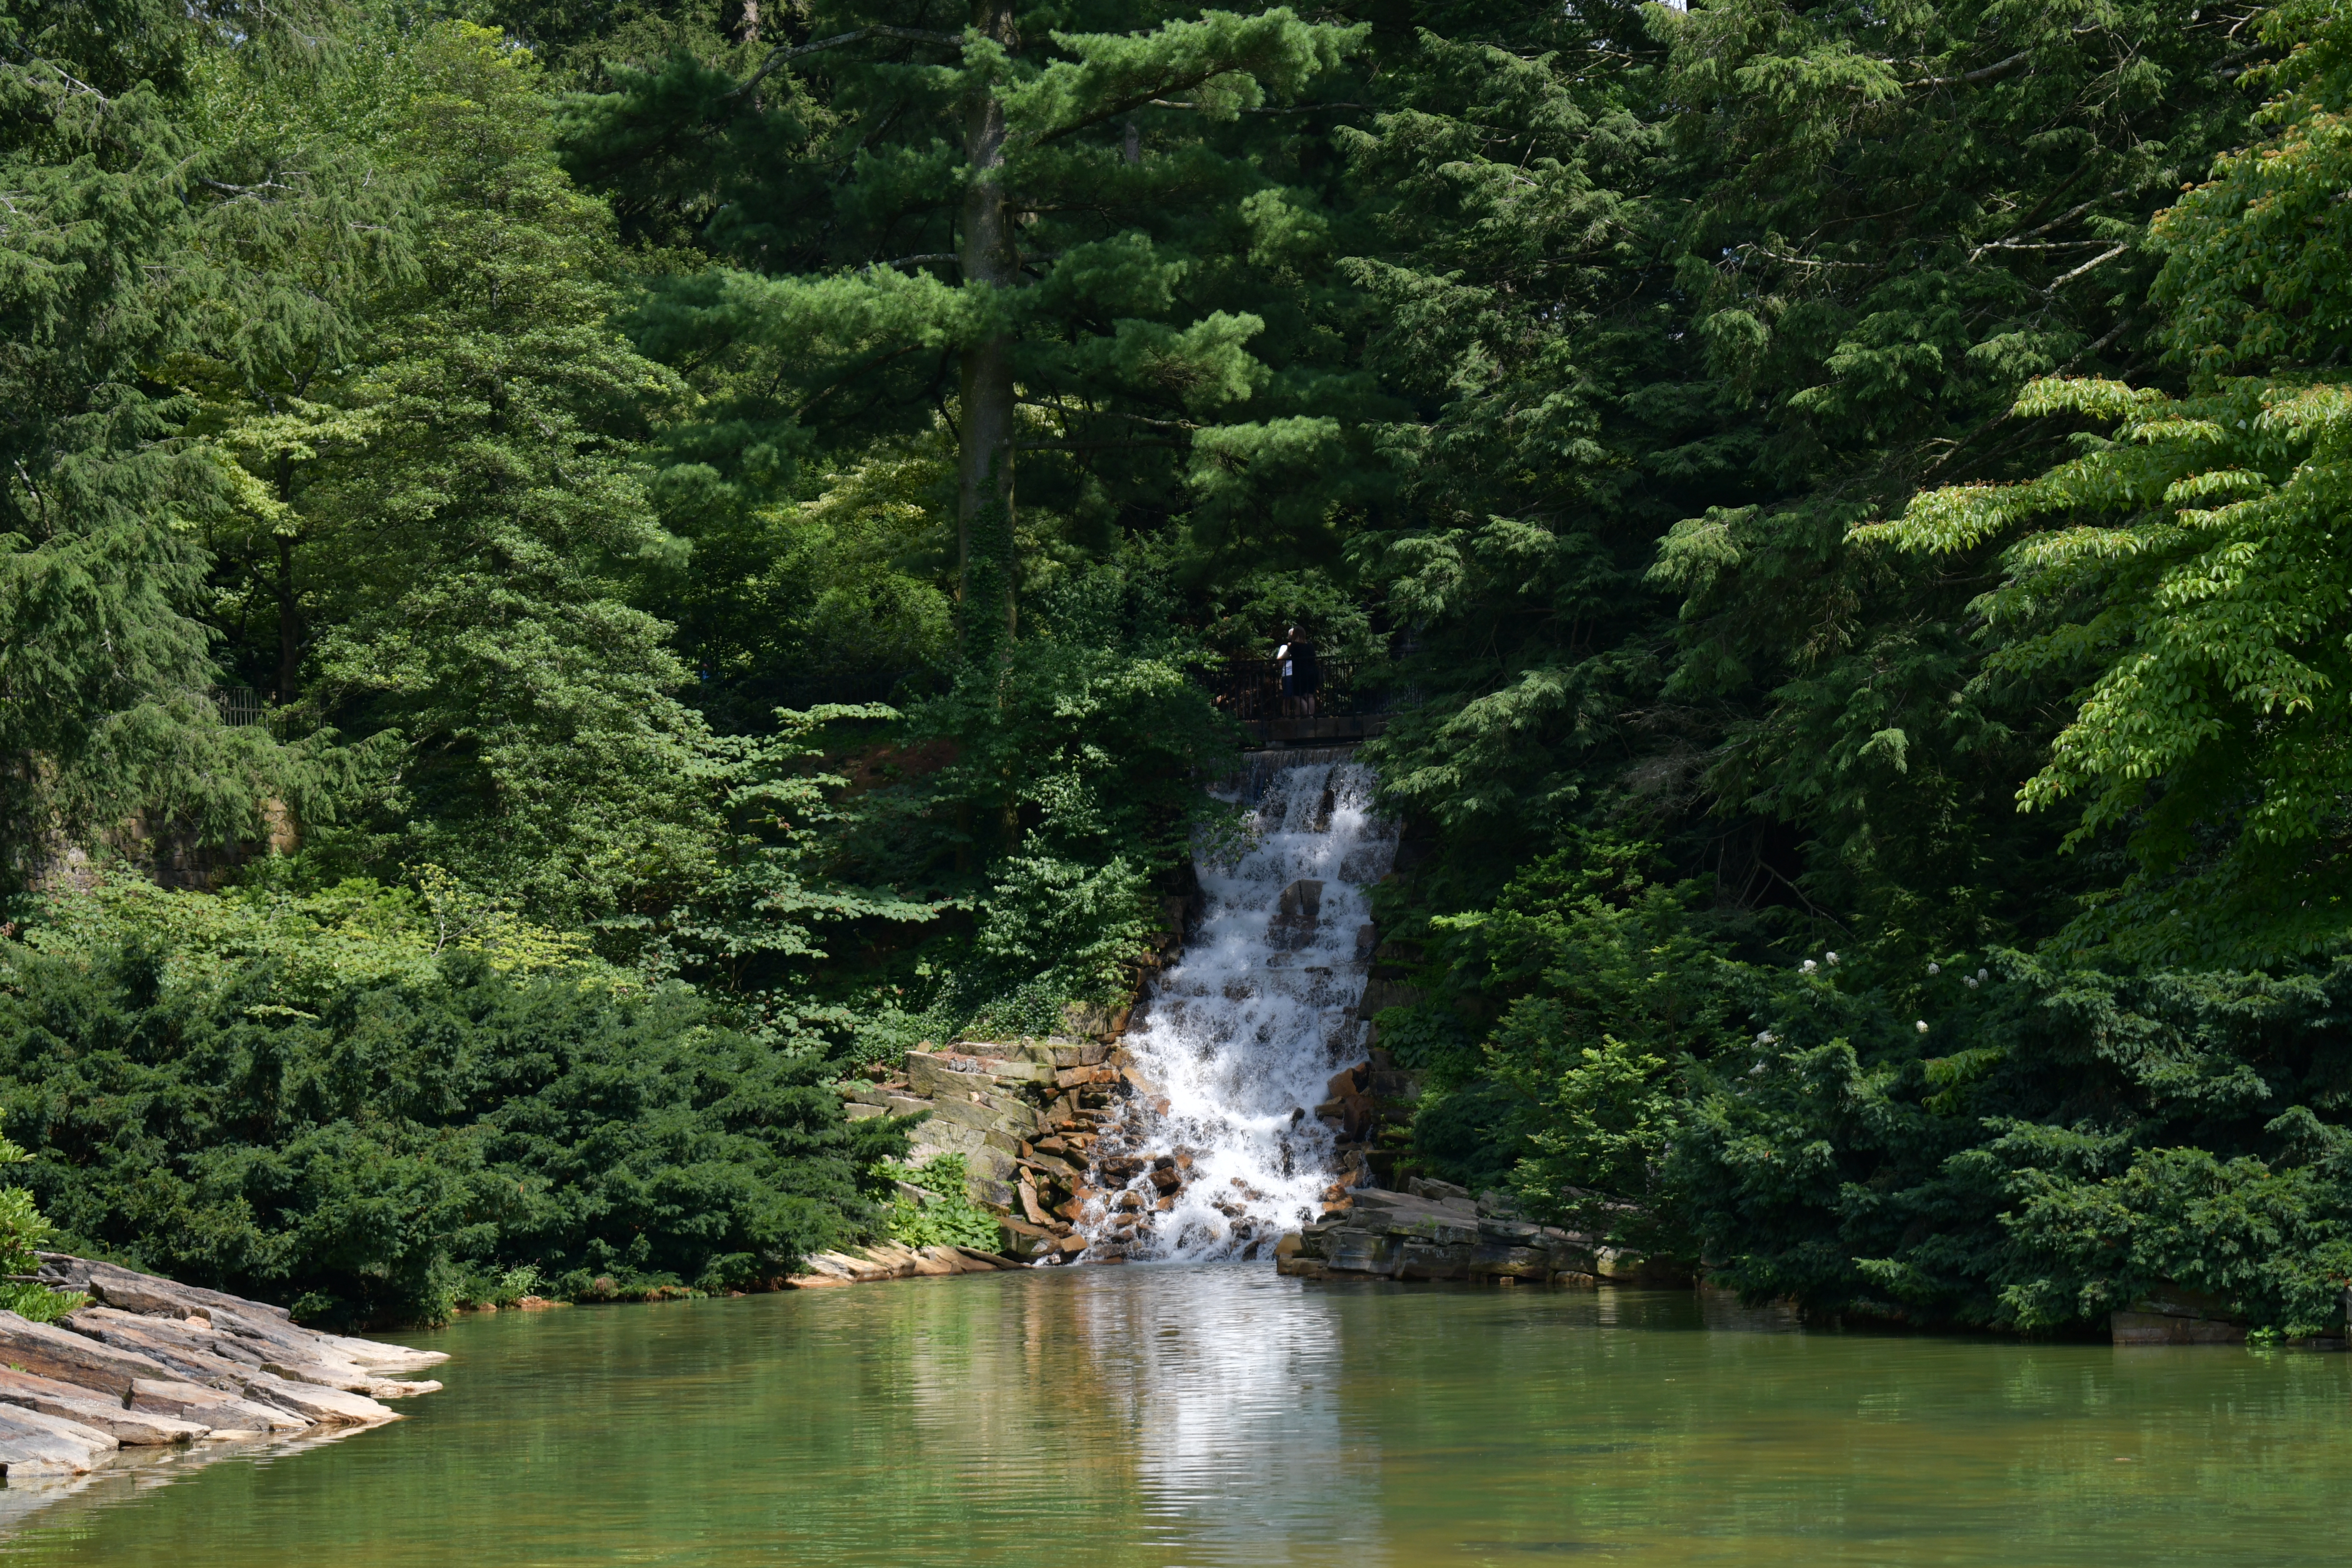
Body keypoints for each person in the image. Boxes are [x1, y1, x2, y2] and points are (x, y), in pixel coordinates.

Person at [1275, 626, 1318, 718]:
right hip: (1311, 673)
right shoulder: (1310, 645)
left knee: (1297, 696)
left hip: (1299, 673)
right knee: (1310, 696)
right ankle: (1313, 717)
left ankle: (1309, 715)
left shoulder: (1294, 646)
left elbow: (1283, 657)